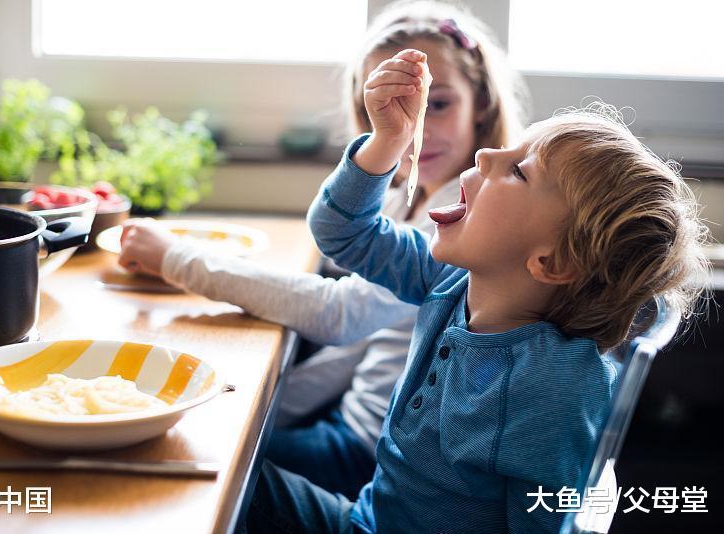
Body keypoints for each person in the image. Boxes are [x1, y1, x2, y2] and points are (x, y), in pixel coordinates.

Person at [244, 47, 709, 533]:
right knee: (231, 473)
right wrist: (387, 141)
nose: (485, 154)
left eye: (519, 170)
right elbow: (344, 234)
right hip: (367, 520)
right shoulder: (451, 280)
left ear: (551, 262)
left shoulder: (554, 388)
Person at [118, 0, 527, 499]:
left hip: (372, 452)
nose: (417, 127)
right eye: (390, 108)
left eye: (437, 104)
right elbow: (353, 349)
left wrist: (178, 259)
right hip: (349, 422)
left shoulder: (465, 227)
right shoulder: (405, 197)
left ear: (481, 102)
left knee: (185, 463)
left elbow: (340, 316)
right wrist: (260, 408)